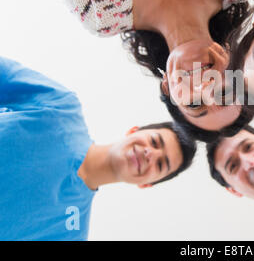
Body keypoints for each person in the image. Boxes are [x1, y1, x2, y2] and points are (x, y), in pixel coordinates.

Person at [24, 0, 254, 137]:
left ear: (167, 88)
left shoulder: (100, 14)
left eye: (194, 104)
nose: (203, 87)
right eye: (223, 93)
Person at [0, 57, 197, 241]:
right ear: (133, 131)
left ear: (146, 184)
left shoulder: (71, 232)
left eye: (161, 164)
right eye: (154, 142)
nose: (151, 154)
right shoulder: (61, 108)